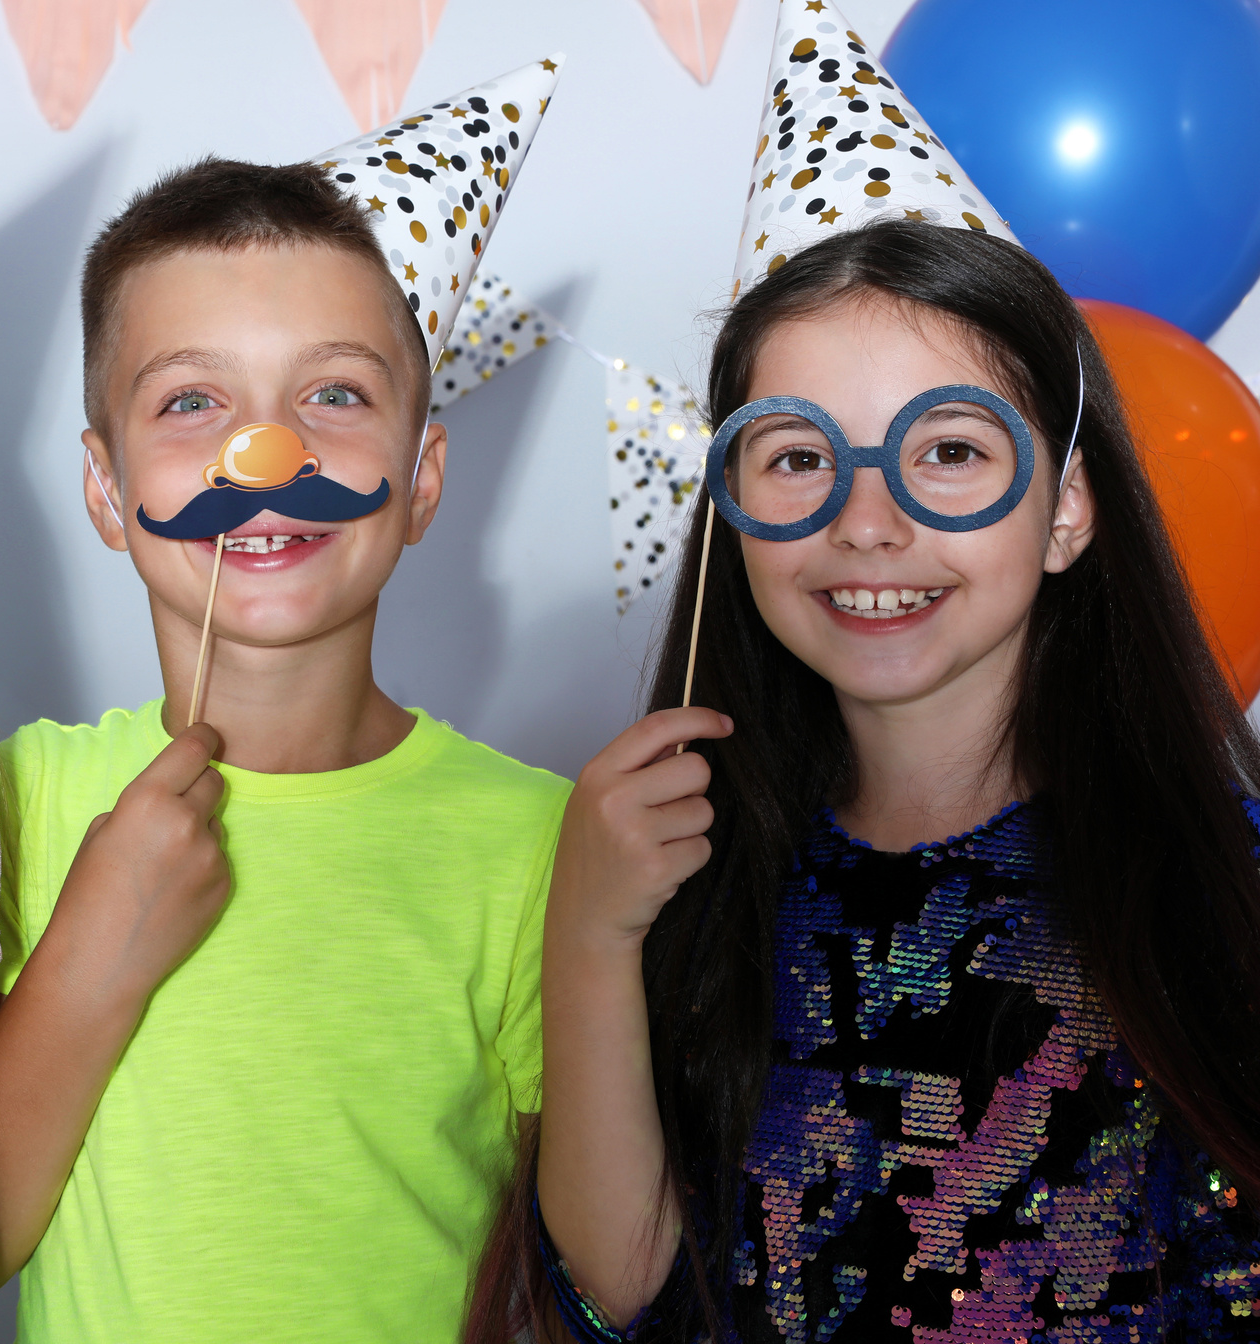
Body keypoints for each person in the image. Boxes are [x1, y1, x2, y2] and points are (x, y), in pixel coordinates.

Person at [472, 13, 1260, 1324]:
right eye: (797, 457)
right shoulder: (701, 866)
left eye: (949, 452)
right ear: (736, 507)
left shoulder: (1215, 874)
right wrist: (593, 935)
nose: (869, 521)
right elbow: (625, 1292)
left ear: (1066, 509)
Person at [0, 58, 570, 1344]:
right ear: (103, 486)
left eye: (334, 396)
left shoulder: (539, 844)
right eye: (193, 401)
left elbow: (578, 1277)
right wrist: (89, 956)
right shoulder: (7, 797)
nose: (267, 456)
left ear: (421, 480)